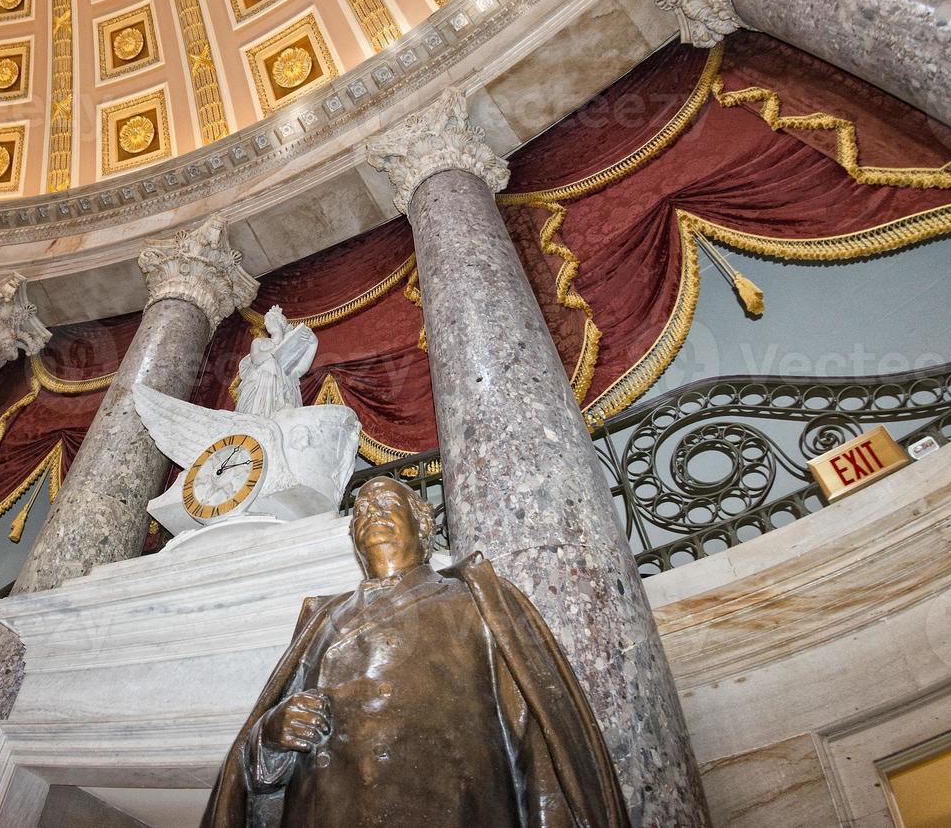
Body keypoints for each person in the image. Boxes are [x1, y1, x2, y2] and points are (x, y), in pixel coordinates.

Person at [202, 478, 631, 828]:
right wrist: (272, 735)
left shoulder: (479, 602)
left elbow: (538, 741)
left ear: (422, 525)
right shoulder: (320, 619)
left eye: (388, 502)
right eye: (362, 510)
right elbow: (257, 765)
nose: (373, 513)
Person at [236, 306, 315, 418]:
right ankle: (262, 412)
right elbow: (256, 358)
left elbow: (298, 371)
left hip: (284, 394)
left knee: (275, 366)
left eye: (269, 320)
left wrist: (313, 345)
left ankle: (277, 409)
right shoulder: (259, 342)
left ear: (279, 322)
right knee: (270, 364)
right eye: (266, 320)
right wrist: (277, 350)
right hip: (259, 391)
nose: (266, 323)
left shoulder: (289, 348)